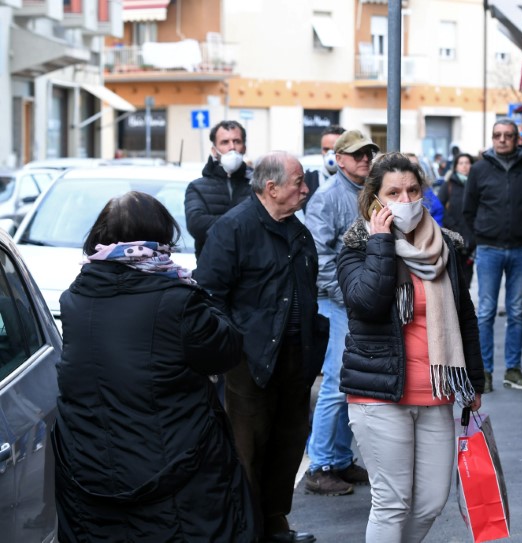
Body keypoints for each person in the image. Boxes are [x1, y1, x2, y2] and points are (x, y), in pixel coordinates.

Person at [53, 192, 255, 542]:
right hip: (176, 468)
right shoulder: (177, 298)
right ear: (160, 235)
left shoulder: (75, 298)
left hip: (91, 468)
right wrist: (205, 297)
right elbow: (225, 350)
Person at [337, 152, 484, 542]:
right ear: (375, 200)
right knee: (392, 501)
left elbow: (464, 317)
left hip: (437, 393)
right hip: (380, 394)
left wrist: (475, 383)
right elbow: (367, 303)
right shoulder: (357, 246)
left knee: (431, 501)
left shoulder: (445, 246)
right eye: (394, 192)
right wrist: (381, 243)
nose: (406, 200)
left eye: (413, 190)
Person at [194, 152, 326, 543]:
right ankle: (248, 532)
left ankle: (275, 523)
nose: (305, 189)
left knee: (287, 445)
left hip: (295, 358)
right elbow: (208, 296)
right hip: (249, 361)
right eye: (298, 182)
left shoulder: (297, 231)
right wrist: (235, 347)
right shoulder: (233, 228)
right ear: (271, 188)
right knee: (248, 451)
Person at [303, 130, 377, 496]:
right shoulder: (327, 198)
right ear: (339, 158)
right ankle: (319, 464)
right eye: (357, 154)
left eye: (368, 153)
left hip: (358, 301)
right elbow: (320, 258)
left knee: (350, 383)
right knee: (335, 384)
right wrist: (350, 295)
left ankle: (339, 459)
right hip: (339, 303)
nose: (364, 158)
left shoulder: (368, 193)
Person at [463, 118, 522, 392]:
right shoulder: (478, 170)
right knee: (486, 311)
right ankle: (484, 373)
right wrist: (477, 240)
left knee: (515, 311)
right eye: (497, 135)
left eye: (508, 135)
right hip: (488, 249)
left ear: (517, 138)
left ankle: (513, 370)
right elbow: (468, 210)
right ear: (492, 138)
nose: (502, 139)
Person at [184, 120, 252, 258]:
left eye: (237, 141)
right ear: (214, 151)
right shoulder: (197, 187)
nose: (232, 147)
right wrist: (245, 223)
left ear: (244, 147)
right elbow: (196, 225)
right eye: (225, 142)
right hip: (212, 271)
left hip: (252, 271)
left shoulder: (257, 185)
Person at [438, 152, 476, 286]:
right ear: (455, 166)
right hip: (452, 237)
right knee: (452, 279)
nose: (464, 166)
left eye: (467, 163)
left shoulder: (476, 184)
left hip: (471, 239)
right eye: (461, 163)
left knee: (466, 279)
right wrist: (452, 227)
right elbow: (440, 208)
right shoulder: (448, 185)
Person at [303, 125, 346, 211]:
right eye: (326, 149)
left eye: (335, 150)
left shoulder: (355, 182)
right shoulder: (309, 180)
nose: (330, 154)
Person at [407, 153, 444, 226]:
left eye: (417, 165)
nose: (415, 169)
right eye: (410, 165)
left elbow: (437, 209)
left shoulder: (425, 187)